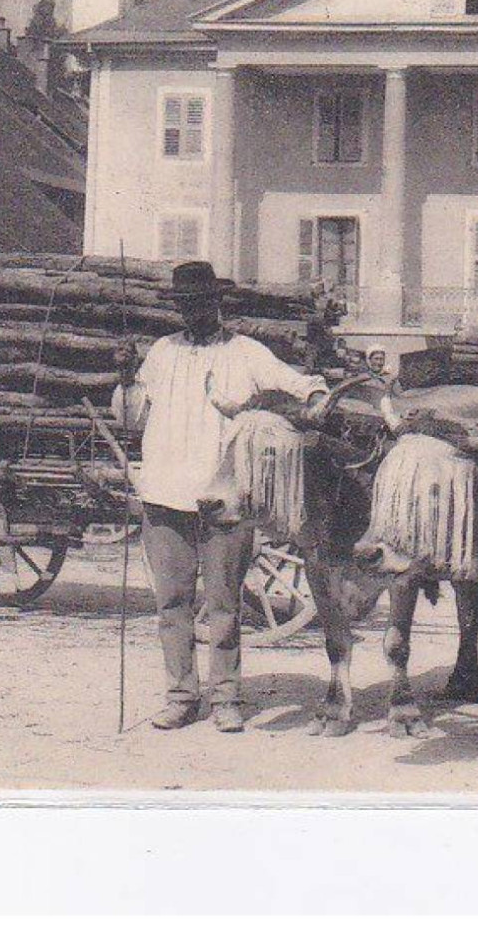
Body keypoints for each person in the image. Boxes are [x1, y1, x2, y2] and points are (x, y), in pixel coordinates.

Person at [113, 261, 330, 733]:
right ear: (178, 309)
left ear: (217, 304)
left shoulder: (247, 354)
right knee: (171, 602)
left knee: (224, 603)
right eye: (185, 306)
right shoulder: (160, 354)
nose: (194, 313)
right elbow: (130, 420)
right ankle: (181, 696)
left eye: (202, 304)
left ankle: (227, 697)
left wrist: (314, 394)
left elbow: (297, 382)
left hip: (223, 502)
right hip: (164, 495)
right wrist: (126, 380)